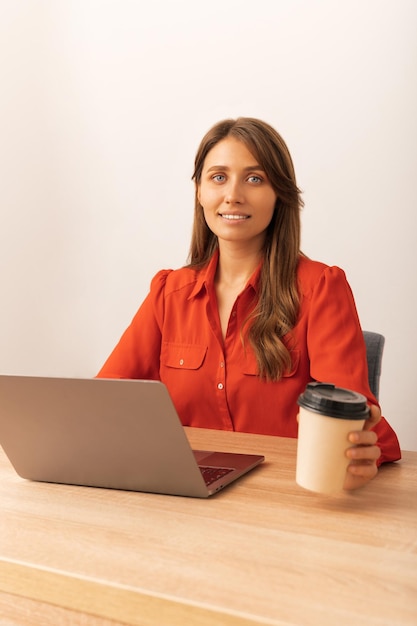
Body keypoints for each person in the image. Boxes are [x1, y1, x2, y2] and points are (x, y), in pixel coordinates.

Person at [97, 116, 401, 491]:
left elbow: (355, 425)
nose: (233, 195)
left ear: (280, 193)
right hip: (184, 495)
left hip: (283, 499)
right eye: (218, 177)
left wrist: (358, 451)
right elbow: (103, 402)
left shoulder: (321, 288)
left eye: (254, 179)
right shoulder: (168, 293)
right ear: (199, 191)